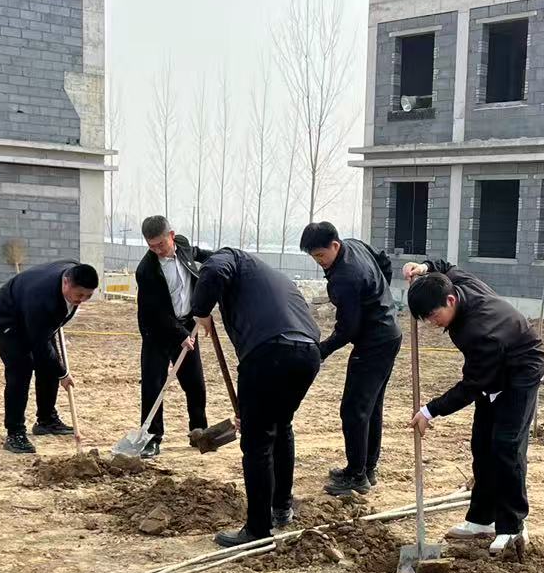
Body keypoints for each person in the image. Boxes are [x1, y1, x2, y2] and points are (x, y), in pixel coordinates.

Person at [403, 259, 544, 557]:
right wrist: (424, 267)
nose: (432, 323)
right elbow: (445, 266)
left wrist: (429, 411)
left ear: (450, 300)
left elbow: (472, 386)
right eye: (425, 318)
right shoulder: (457, 284)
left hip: (521, 369)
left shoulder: (480, 331)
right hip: (493, 369)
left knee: (506, 446)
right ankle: (482, 519)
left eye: (433, 315)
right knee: (482, 444)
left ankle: (512, 526)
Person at [190, 247, 322, 547]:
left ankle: (257, 530)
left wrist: (201, 311)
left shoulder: (227, 257)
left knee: (257, 441)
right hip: (308, 354)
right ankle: (282, 507)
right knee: (281, 425)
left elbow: (214, 271)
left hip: (269, 352)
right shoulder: (269, 275)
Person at [299, 220, 402, 497]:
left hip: (374, 342)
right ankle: (367, 468)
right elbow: (384, 262)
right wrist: (381, 297)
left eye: (321, 255)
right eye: (314, 257)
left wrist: (321, 351)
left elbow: (348, 329)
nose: (319, 261)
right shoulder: (354, 245)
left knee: (354, 409)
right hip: (388, 332)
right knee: (371, 406)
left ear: (335, 245)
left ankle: (356, 475)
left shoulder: (346, 276)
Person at [0, 260, 100, 455]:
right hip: (7, 316)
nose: (82, 300)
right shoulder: (42, 300)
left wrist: (58, 368)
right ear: (66, 282)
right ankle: (15, 433)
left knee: (49, 364)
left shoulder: (74, 269)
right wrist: (63, 374)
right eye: (79, 295)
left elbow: (45, 344)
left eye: (88, 296)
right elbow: (40, 347)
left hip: (36, 317)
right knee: (21, 369)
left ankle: (46, 420)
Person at [133, 214, 210, 458]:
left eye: (161, 244)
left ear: (172, 236)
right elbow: (156, 311)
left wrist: (222, 259)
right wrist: (180, 335)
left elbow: (199, 254)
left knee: (195, 383)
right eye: (151, 246)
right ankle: (152, 438)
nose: (157, 250)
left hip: (186, 323)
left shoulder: (183, 245)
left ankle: (199, 431)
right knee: (153, 385)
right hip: (156, 332)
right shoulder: (146, 270)